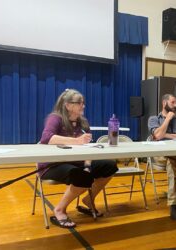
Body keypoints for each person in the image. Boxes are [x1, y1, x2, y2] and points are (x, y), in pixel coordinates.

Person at [38, 89, 118, 228]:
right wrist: (76, 141)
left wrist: (87, 165)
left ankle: (88, 199)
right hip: (53, 165)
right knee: (81, 176)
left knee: (110, 165)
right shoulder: (55, 118)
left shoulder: (83, 122)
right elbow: (46, 138)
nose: (83, 106)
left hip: (76, 162)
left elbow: (86, 147)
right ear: (68, 105)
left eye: (83, 103)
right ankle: (59, 209)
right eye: (79, 103)